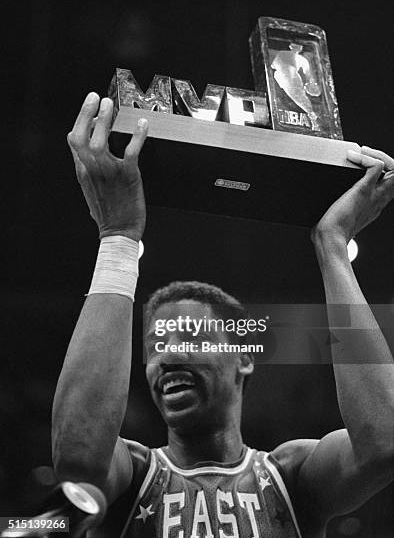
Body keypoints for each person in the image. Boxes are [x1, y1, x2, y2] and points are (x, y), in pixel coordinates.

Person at [52, 93, 394, 537]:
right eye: (156, 346)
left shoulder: (293, 476)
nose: (169, 357)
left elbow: (384, 442)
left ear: (244, 358)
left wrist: (333, 247)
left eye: (190, 336)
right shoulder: (132, 474)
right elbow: (77, 455)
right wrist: (118, 240)